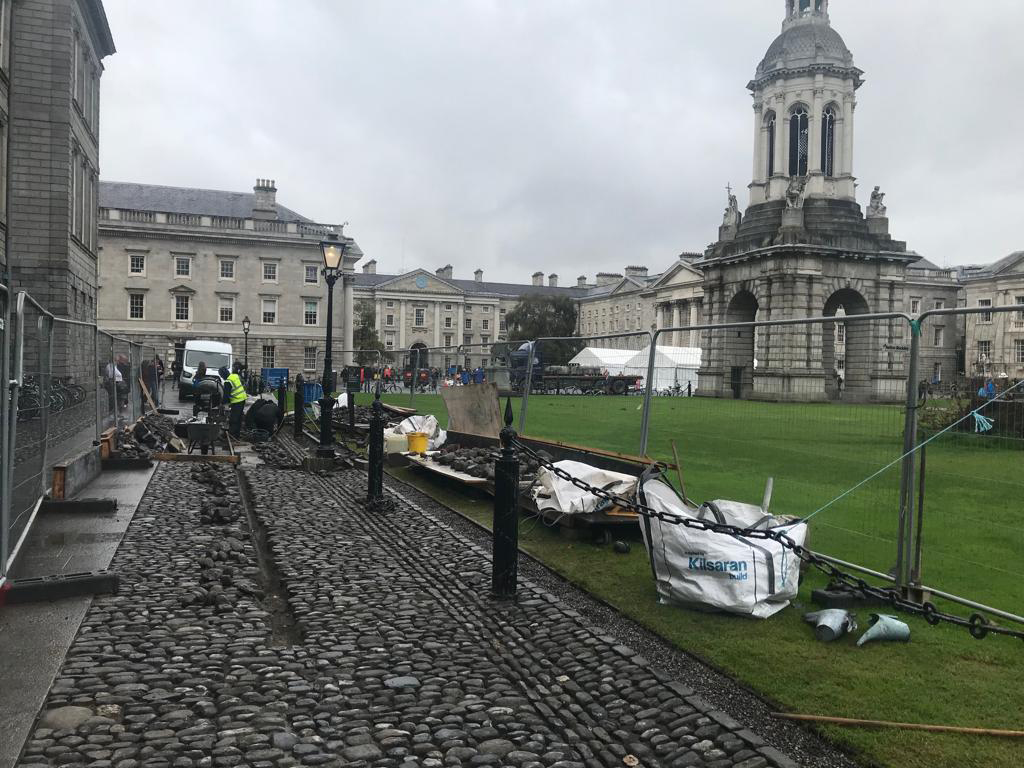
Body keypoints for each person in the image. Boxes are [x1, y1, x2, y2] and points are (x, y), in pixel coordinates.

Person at [222, 364, 247, 438]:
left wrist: (221, 403)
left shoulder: (228, 381)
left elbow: (226, 396)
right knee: (238, 418)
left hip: (237, 401)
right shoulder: (235, 376)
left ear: (223, 375)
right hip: (242, 398)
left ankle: (231, 435)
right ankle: (236, 434)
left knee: (234, 419)